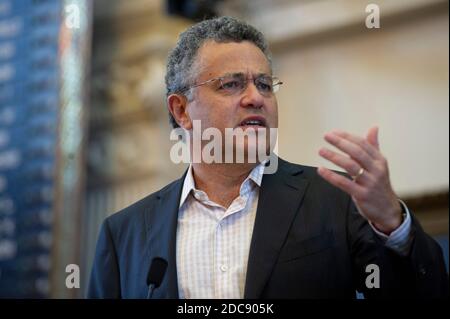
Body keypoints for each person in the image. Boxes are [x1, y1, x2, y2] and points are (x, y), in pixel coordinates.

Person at [87, 16, 448, 299]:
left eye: (264, 84)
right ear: (181, 110)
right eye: (231, 84)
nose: (255, 98)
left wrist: (392, 225)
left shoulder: (334, 201)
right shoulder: (124, 236)